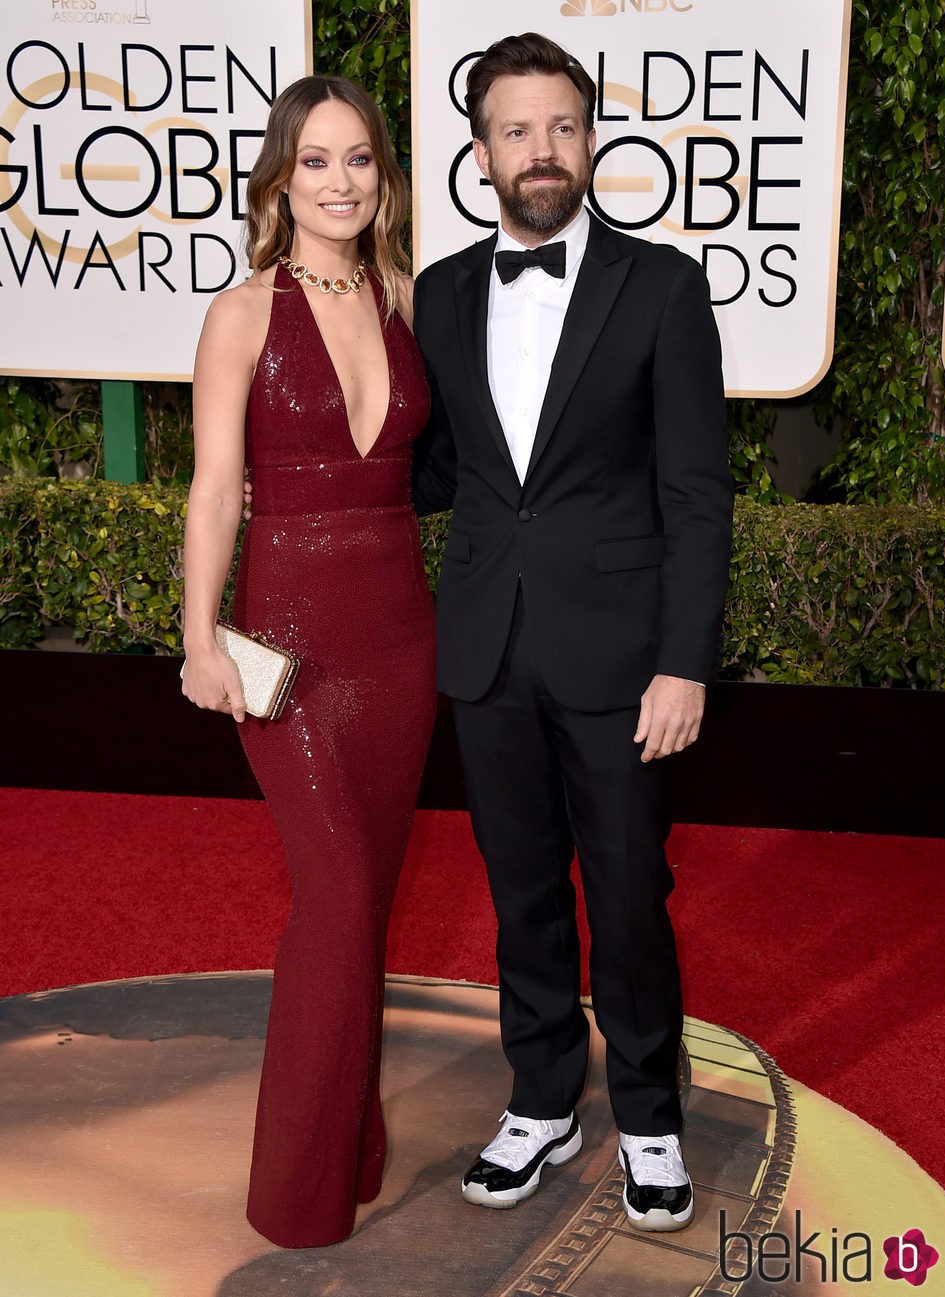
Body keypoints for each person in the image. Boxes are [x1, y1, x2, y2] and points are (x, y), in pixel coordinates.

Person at [411, 33, 734, 1232]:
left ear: (589, 140)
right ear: (481, 152)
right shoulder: (442, 293)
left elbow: (697, 493)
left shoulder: (660, 286)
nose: (538, 152)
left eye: (559, 127)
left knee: (629, 893)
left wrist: (682, 659)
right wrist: (297, 488)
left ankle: (647, 1112)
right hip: (487, 643)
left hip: (621, 658)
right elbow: (439, 466)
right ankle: (541, 1095)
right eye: (514, 131)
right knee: (518, 888)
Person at [181, 75, 436, 1248]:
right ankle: (297, 1191)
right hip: (283, 636)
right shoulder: (241, 312)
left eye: (361, 161)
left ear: (382, 178)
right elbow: (214, 489)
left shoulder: (400, 298)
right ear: (280, 176)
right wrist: (198, 637)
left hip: (398, 630)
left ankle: (353, 1143)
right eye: (317, 160)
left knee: (365, 901)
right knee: (333, 900)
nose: (340, 181)